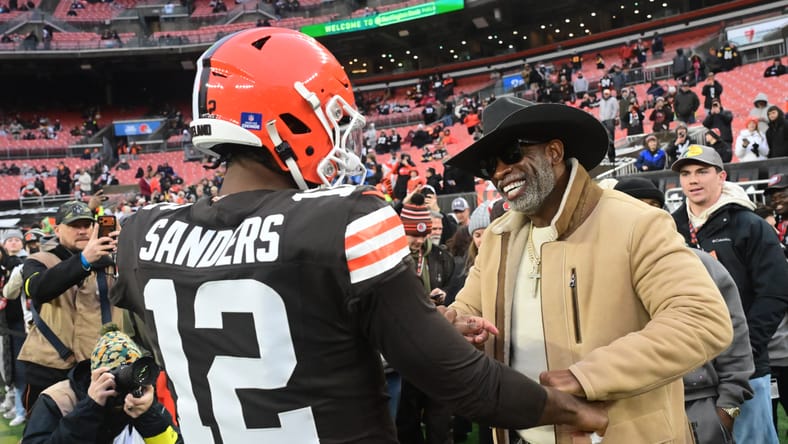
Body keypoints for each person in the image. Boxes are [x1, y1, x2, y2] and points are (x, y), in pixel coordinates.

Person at [110, 28, 608, 444]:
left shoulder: (141, 234)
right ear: (290, 119)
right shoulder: (344, 219)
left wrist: (415, 323)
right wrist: (568, 411)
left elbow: (277, 334)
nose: (340, 139)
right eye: (334, 120)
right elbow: (460, 382)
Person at [444, 96, 733, 443]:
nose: (500, 172)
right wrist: (457, 325)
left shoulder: (636, 222)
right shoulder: (496, 238)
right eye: (490, 165)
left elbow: (701, 319)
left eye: (511, 154)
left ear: (553, 152)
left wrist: (587, 377)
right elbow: (469, 309)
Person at [614, 177, 755, 444]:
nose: (646, 214)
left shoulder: (701, 264)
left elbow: (736, 342)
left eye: (654, 206)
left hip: (702, 411)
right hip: (629, 412)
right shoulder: (598, 272)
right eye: (633, 206)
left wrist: (727, 412)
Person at [670, 145, 788, 444]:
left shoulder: (750, 225)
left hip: (744, 368)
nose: (693, 180)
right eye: (685, 173)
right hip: (689, 370)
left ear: (721, 176)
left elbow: (774, 293)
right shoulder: (669, 227)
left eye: (702, 171)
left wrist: (744, 349)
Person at [19, 201, 125, 413]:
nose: (83, 230)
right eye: (75, 225)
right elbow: (38, 289)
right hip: (49, 366)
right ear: (57, 229)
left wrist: (126, 249)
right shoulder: (39, 260)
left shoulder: (114, 259)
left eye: (87, 224)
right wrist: (85, 260)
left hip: (103, 366)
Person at [22, 324, 182, 443]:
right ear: (94, 376)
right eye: (114, 375)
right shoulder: (59, 399)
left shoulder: (140, 400)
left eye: (128, 376)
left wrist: (148, 415)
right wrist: (90, 408)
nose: (121, 387)